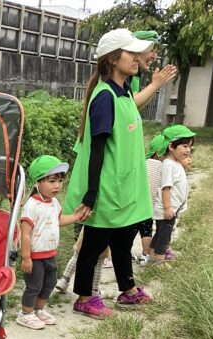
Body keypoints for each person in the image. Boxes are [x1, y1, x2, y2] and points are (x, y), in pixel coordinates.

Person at [63, 28, 156, 319]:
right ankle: (84, 298)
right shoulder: (104, 96)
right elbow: (97, 148)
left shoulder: (124, 91)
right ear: (114, 58)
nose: (137, 58)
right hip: (107, 187)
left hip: (125, 186)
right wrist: (91, 193)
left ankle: (128, 290)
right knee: (93, 245)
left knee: (123, 241)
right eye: (131, 53)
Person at [16, 156, 86, 329]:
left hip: (50, 254)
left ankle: (38, 309)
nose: (57, 186)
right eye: (52, 181)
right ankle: (25, 313)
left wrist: (77, 216)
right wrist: (26, 257)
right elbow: (25, 234)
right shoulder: (31, 205)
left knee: (49, 283)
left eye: (60, 181)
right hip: (34, 256)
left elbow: (58, 220)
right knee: (34, 286)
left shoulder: (54, 202)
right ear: (37, 182)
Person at [147, 125, 195, 265]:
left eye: (190, 146)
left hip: (171, 209)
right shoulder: (168, 165)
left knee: (160, 235)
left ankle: (151, 257)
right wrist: (167, 208)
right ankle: (158, 263)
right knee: (164, 238)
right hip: (168, 210)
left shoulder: (174, 163)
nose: (188, 150)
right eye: (184, 146)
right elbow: (166, 188)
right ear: (171, 147)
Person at [130, 30, 178, 109]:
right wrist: (154, 85)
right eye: (151, 50)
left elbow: (135, 108)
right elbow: (128, 104)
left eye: (156, 52)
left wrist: (156, 86)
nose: (155, 57)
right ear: (137, 49)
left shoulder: (135, 74)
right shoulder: (121, 74)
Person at [138, 132, 167, 264]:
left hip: (136, 203)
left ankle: (121, 254)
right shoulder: (163, 167)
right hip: (149, 207)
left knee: (129, 232)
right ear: (158, 154)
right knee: (146, 231)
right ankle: (145, 254)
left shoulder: (143, 162)